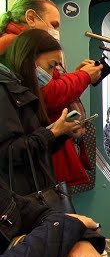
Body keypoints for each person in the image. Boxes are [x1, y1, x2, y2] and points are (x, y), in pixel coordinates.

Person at [0, 0, 103, 192]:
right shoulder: (11, 49)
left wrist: (60, 133)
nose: (56, 32)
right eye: (53, 25)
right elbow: (49, 94)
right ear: (31, 18)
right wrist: (83, 76)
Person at [0, 33, 81, 195]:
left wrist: (61, 134)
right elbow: (7, 154)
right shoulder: (4, 91)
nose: (50, 75)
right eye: (51, 66)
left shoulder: (21, 90)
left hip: (30, 191)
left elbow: (34, 150)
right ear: (29, 58)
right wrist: (51, 133)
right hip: (18, 196)